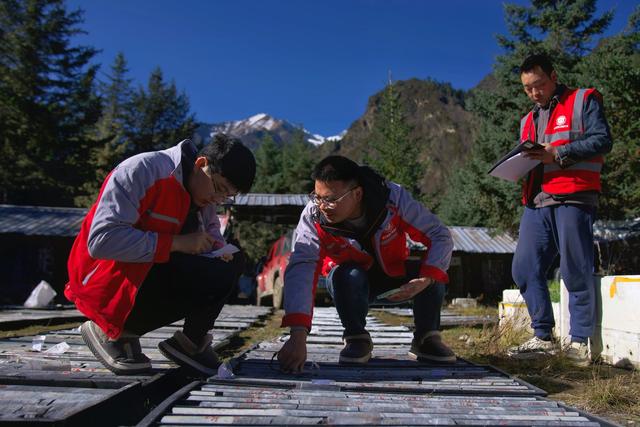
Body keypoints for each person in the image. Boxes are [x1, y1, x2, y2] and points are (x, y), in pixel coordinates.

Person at [65, 135, 256, 376]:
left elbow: (211, 235)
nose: (217, 200)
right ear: (200, 164)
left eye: (226, 197)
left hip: (147, 273)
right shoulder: (143, 170)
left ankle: (190, 342)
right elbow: (102, 241)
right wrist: (175, 243)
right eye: (218, 189)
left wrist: (218, 249)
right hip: (103, 281)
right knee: (208, 267)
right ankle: (109, 328)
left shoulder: (204, 195)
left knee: (230, 263)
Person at [277, 155, 455, 373]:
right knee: (345, 274)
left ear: (357, 193)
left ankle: (427, 338)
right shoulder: (313, 216)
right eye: (317, 197)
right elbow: (302, 266)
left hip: (395, 277)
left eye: (331, 199)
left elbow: (439, 235)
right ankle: (356, 337)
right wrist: (297, 335)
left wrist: (426, 278)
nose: (323, 206)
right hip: (351, 284)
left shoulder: (393, 198)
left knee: (433, 271)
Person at [510, 53, 613, 364]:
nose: (534, 93)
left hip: (574, 196)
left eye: (539, 85)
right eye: (527, 88)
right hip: (537, 201)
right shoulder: (527, 120)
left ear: (553, 76)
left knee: (575, 267)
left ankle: (579, 343)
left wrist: (558, 153)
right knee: (524, 268)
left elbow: (602, 140)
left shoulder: (584, 100)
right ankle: (543, 336)